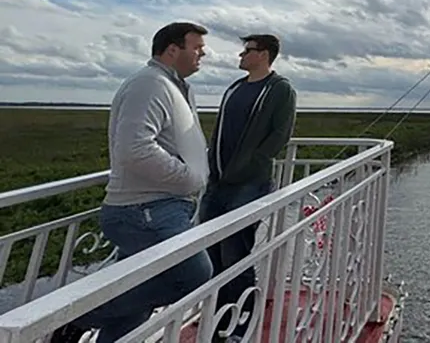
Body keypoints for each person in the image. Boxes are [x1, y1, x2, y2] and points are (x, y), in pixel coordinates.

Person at [52, 22, 213, 343]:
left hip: (162, 207)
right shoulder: (148, 85)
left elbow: (176, 143)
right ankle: (78, 317)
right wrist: (189, 178)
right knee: (194, 275)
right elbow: (135, 149)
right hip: (144, 211)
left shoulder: (176, 87)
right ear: (172, 49)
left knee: (132, 309)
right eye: (196, 47)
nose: (202, 53)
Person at [199, 34, 297, 342]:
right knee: (210, 253)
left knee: (236, 253)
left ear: (264, 55)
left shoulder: (279, 90)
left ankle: (239, 324)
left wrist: (248, 166)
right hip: (217, 183)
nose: (241, 55)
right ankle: (216, 318)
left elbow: (279, 135)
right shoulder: (235, 88)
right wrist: (212, 166)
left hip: (248, 185)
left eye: (248, 50)